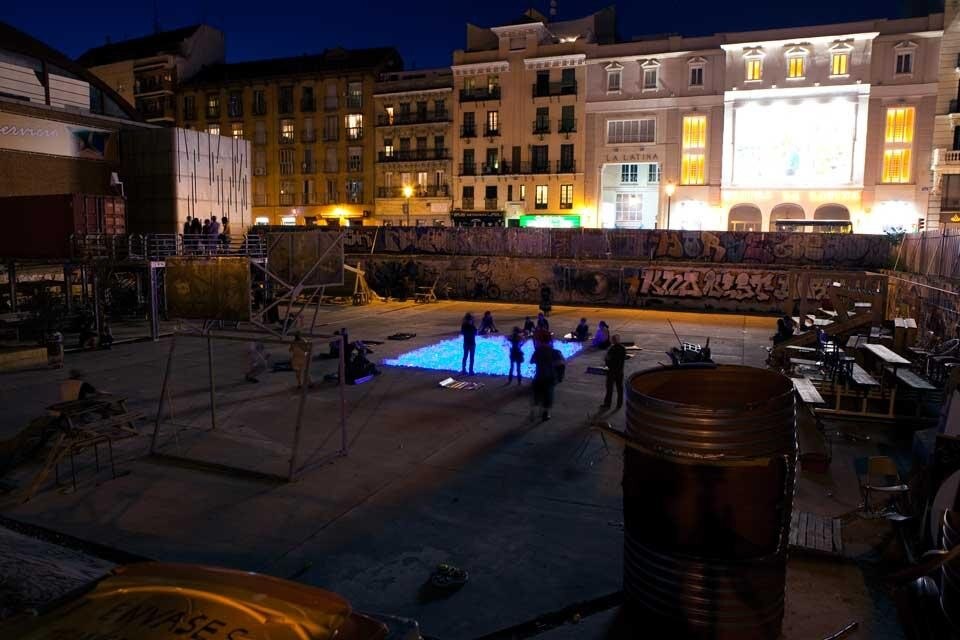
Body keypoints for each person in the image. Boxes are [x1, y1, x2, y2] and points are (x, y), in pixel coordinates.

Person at [530, 336, 563, 421]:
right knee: (548, 396)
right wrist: (559, 377)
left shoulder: (538, 352)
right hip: (549, 378)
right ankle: (545, 413)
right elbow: (561, 364)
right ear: (550, 343)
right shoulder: (555, 352)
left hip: (539, 376)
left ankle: (534, 411)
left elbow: (532, 361)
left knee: (537, 395)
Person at [602, 335, 627, 410]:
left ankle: (607, 404)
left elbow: (607, 359)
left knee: (609, 388)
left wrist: (607, 362)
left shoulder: (612, 349)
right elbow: (624, 358)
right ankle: (619, 404)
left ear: (613, 340)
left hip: (612, 371)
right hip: (619, 371)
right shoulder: (623, 348)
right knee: (620, 388)